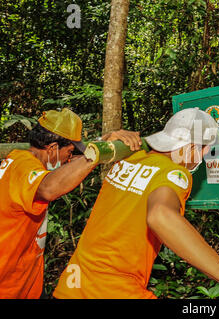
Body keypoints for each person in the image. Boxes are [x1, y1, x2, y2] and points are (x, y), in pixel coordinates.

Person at [53, 108, 219, 299]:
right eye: (205, 148)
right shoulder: (174, 174)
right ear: (189, 147)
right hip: (112, 289)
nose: (206, 154)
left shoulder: (131, 156)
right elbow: (160, 216)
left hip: (72, 284)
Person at [0, 108, 141, 299]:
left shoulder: (21, 158)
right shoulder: (22, 168)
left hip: (26, 281)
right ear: (52, 148)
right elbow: (49, 188)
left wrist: (106, 140)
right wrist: (93, 156)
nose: (70, 158)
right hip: (8, 286)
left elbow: (78, 160)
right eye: (69, 152)